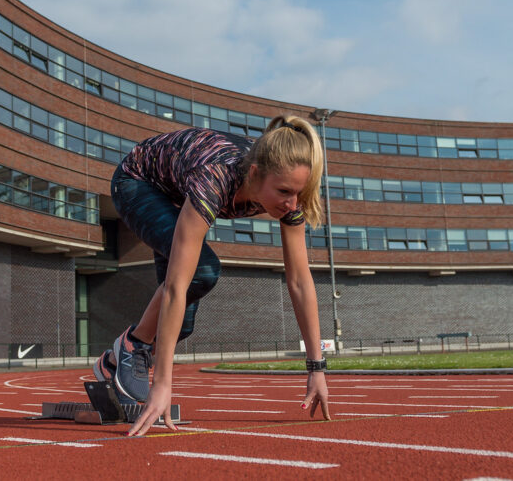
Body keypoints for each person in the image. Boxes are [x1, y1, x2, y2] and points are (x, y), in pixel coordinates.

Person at [92, 114, 333, 436]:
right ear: (254, 174)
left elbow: (301, 282)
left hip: (180, 190)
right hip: (139, 183)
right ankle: (132, 346)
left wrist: (316, 368)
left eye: (299, 194)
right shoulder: (216, 177)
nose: (291, 204)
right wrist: (163, 385)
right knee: (201, 272)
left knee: (181, 326)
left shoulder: (289, 191)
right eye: (284, 192)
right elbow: (176, 287)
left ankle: (111, 362)